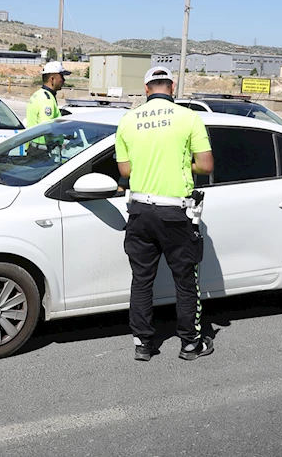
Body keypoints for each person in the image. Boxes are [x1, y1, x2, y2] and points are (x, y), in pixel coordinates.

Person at [115, 66, 215, 362]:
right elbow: (206, 166)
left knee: (141, 279)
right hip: (176, 211)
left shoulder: (127, 120)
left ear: (146, 89)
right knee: (186, 280)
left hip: (141, 211)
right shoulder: (189, 117)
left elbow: (125, 171)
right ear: (172, 88)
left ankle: (143, 343)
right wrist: (184, 165)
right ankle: (190, 344)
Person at [26, 61, 70, 155]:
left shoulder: (38, 94)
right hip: (43, 152)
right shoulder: (47, 99)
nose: (63, 80)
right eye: (61, 77)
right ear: (52, 79)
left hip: (34, 148)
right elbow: (47, 127)